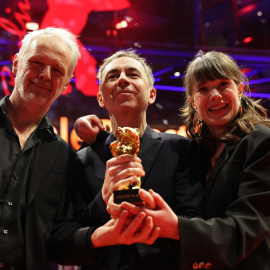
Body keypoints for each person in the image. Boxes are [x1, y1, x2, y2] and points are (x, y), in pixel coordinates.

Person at [0, 27, 158, 270]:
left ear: (65, 84)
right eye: (37, 62)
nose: (44, 74)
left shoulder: (63, 156)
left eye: (57, 71)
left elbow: (58, 239)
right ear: (16, 64)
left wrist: (102, 235)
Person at [117, 50, 270, 270]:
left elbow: (246, 228)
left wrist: (176, 227)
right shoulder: (197, 150)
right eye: (203, 89)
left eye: (223, 84)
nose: (215, 95)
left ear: (239, 89)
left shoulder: (261, 141)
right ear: (193, 102)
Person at [73, 49, 204, 270]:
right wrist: (103, 202)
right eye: (113, 76)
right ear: (100, 98)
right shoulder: (82, 159)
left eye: (133, 75)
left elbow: (193, 220)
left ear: (152, 94)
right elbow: (71, 231)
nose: (123, 79)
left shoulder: (181, 150)